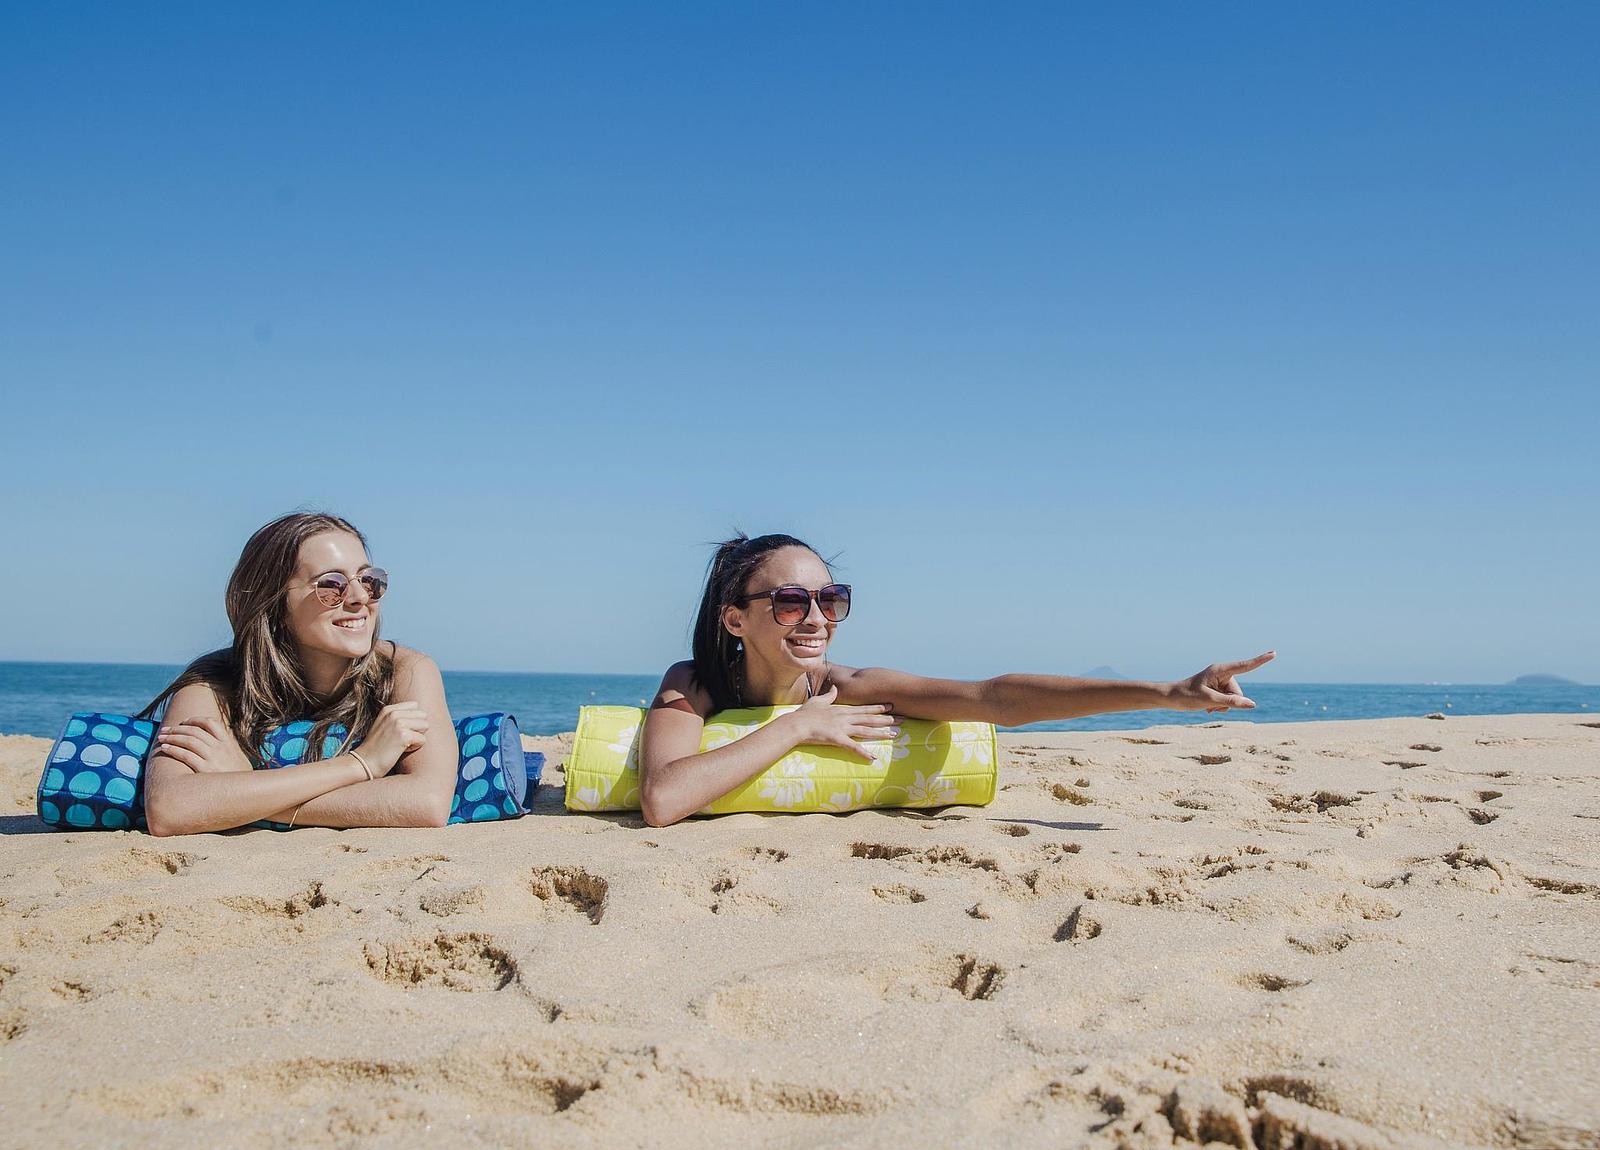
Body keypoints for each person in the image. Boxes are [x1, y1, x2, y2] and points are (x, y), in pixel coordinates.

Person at [640, 532, 1275, 827]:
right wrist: (799, 727)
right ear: (735, 619)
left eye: (830, 599)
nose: (816, 618)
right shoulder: (693, 683)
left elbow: (993, 699)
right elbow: (663, 800)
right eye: (789, 601)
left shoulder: (850, 685)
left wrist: (1167, 694)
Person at [138, 512, 457, 835]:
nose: (361, 597)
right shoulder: (214, 683)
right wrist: (362, 764)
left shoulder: (405, 671)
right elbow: (169, 809)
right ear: (274, 603)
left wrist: (245, 789)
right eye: (332, 585)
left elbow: (428, 802)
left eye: (369, 580)